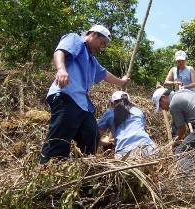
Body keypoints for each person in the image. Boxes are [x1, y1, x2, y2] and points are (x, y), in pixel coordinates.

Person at [39, 25, 130, 164]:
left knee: (91, 137)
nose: (101, 48)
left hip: (82, 105)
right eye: (102, 43)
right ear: (94, 34)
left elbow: (105, 74)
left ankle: (86, 172)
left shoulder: (92, 61)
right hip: (66, 95)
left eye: (104, 46)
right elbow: (60, 51)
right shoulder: (76, 39)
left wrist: (121, 81)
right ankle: (48, 170)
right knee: (60, 139)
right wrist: (61, 69)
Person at [98, 91, 156, 159]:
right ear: (129, 101)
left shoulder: (110, 113)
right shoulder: (138, 111)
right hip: (148, 146)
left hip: (125, 152)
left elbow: (94, 138)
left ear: (112, 103)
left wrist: (104, 142)